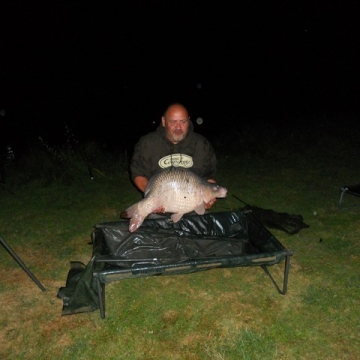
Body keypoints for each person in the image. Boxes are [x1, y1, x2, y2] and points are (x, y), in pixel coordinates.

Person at [130, 102, 218, 210]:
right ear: (163, 121)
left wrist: (210, 197)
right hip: (160, 205)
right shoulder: (148, 143)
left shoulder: (201, 144)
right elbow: (138, 173)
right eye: (173, 122)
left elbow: (209, 176)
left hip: (193, 204)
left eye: (183, 122)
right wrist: (153, 198)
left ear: (189, 121)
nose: (178, 127)